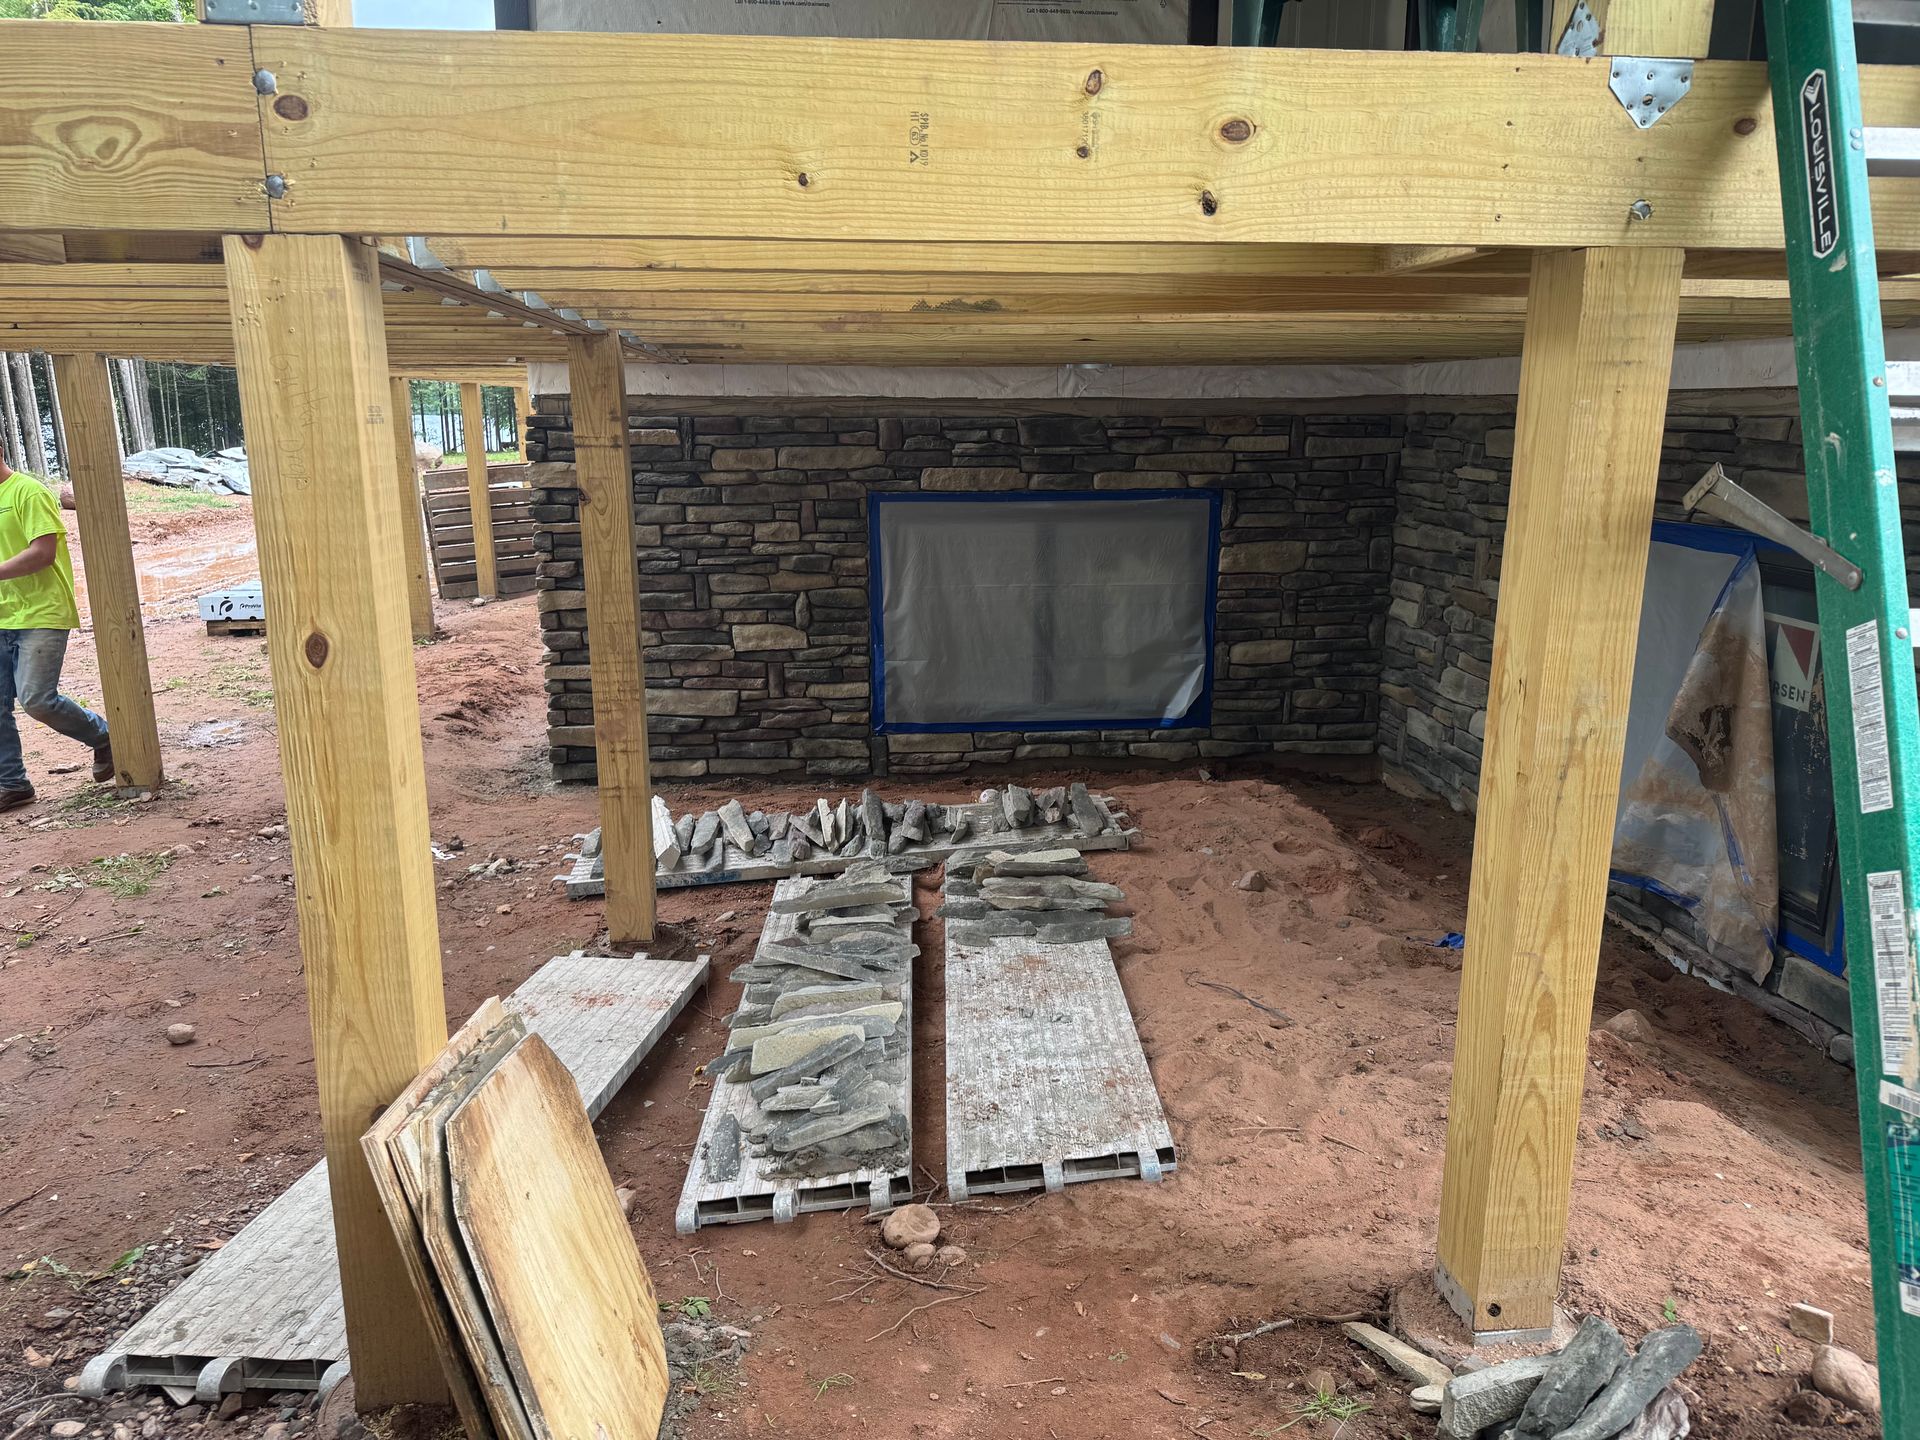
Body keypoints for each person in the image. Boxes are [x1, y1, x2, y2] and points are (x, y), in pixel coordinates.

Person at [0, 456, 112, 810]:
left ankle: (106, 737)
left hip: (41, 613)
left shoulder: (28, 492)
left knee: (36, 699)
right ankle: (13, 784)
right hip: (3, 615)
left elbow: (43, 553)